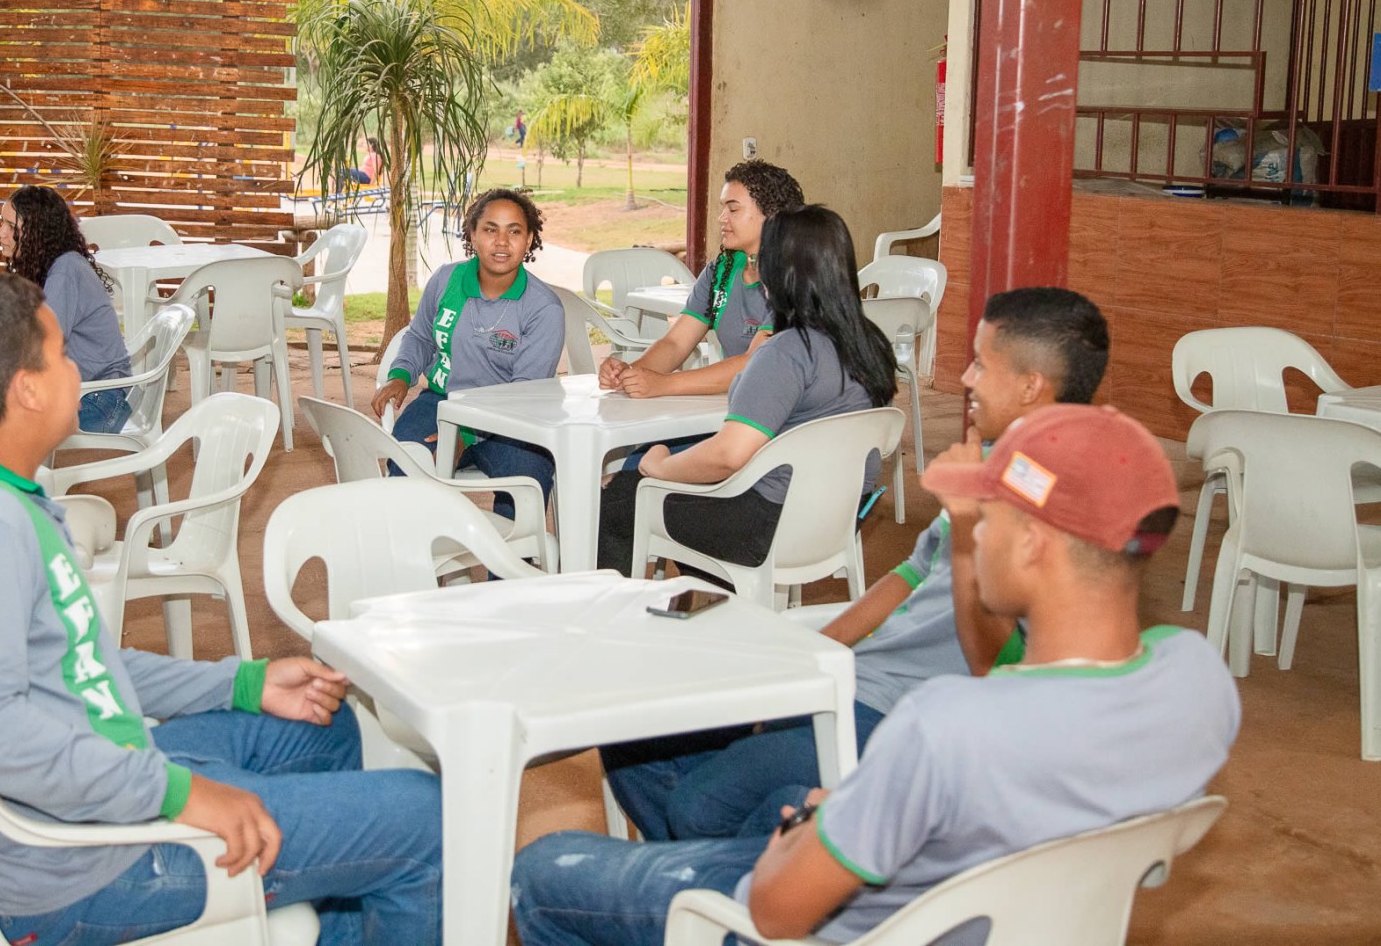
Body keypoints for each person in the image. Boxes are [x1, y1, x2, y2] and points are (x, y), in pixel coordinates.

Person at [511, 403, 1240, 946]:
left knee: (544, 868)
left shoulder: (945, 726)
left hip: (850, 925)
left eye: (982, 518)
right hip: (989, 905)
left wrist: (801, 844)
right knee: (742, 786)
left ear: (1032, 546)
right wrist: (848, 811)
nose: (966, 533)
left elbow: (774, 910)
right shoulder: (1199, 681)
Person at [0, 276, 443, 946]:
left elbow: (88, 666)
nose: (78, 368)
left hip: (100, 774)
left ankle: (315, 905)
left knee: (323, 727)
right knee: (422, 819)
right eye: (61, 355)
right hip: (89, 868)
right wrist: (180, 794)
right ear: (26, 390)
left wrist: (245, 682)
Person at [601, 287, 1111, 843]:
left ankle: (759, 860)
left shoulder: (1061, 503)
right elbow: (908, 576)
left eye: (982, 366)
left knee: (700, 806)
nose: (966, 378)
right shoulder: (993, 461)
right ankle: (738, 862)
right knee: (633, 741)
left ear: (1031, 386)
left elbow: (999, 666)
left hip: (913, 718)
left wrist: (967, 525)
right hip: (858, 676)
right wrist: (814, 653)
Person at [594, 204, 896, 578]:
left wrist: (661, 467)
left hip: (767, 524)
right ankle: (722, 601)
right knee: (685, 502)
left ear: (781, 270)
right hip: (837, 520)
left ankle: (612, 613)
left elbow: (728, 455)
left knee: (621, 497)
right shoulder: (869, 344)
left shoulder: (787, 351)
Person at [372, 188, 563, 520]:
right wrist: (400, 376)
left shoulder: (544, 308)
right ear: (472, 235)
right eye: (490, 229)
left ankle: (512, 552)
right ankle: (412, 550)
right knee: (407, 464)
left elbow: (524, 394)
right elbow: (420, 337)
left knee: (528, 478)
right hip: (441, 403)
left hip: (513, 421)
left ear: (529, 239)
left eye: (514, 231)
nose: (501, 242)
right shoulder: (447, 280)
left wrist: (465, 434)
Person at [598, 160, 804, 402]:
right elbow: (676, 343)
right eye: (723, 208)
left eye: (733, 209)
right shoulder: (722, 271)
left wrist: (664, 384)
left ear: (771, 215)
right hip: (741, 403)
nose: (721, 218)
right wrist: (631, 373)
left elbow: (756, 362)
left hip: (795, 413)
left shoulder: (798, 277)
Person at [1, 184, 135, 434]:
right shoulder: (52, 267)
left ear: (37, 231)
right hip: (91, 392)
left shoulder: (65, 271)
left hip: (99, 400)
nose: (1, 233)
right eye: (2, 223)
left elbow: (41, 344)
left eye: (11, 226)